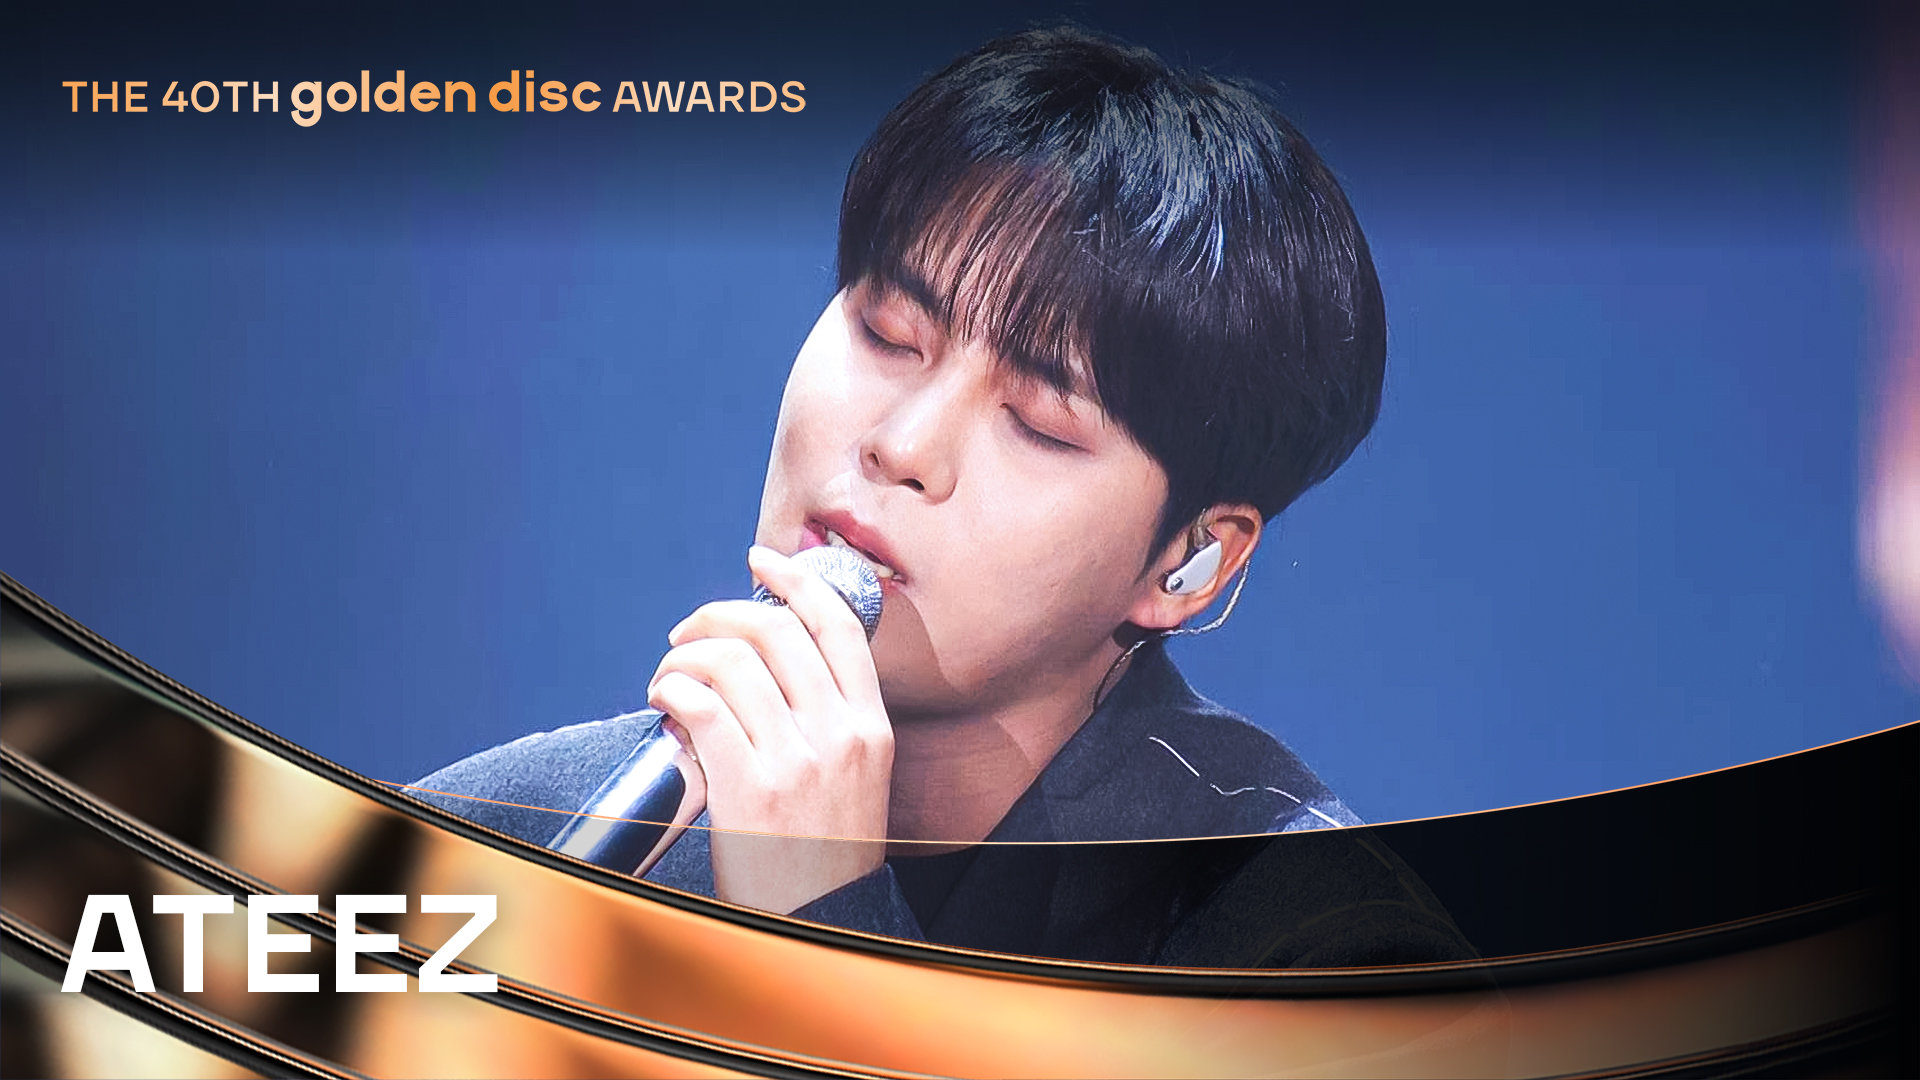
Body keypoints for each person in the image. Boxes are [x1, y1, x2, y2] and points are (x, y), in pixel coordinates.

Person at [413, 27, 1470, 967]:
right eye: (887, 333)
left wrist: (821, 930)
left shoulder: (1323, 958)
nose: (902, 446)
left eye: (1040, 422)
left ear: (1188, 563)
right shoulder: (512, 837)